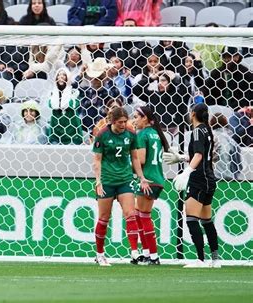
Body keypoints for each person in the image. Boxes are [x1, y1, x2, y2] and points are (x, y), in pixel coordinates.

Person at [92, 107, 151, 266]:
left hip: (125, 179)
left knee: (131, 214)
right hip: (107, 181)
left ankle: (134, 252)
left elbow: (135, 158)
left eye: (125, 122)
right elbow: (97, 160)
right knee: (104, 218)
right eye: (120, 122)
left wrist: (142, 177)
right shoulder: (102, 134)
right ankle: (100, 254)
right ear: (112, 121)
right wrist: (98, 181)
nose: (123, 125)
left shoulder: (131, 134)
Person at [164, 103, 221, 268]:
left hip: (199, 180)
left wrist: (187, 171)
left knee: (190, 218)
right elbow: (203, 156)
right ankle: (215, 259)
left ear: (193, 113)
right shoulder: (206, 130)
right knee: (206, 220)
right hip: (209, 179)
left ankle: (201, 260)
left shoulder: (197, 131)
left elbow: (198, 155)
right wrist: (181, 158)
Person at [132, 106, 170, 265]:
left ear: (145, 118)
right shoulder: (156, 134)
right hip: (157, 178)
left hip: (147, 179)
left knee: (143, 216)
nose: (134, 120)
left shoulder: (142, 135)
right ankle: (147, 254)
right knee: (139, 214)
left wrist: (126, 166)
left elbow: (140, 160)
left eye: (137, 117)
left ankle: (153, 256)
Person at [47, 67, 84, 145]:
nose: (61, 76)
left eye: (64, 75)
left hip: (71, 128)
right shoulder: (52, 93)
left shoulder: (74, 93)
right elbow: (51, 104)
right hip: (56, 126)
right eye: (59, 75)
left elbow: (73, 105)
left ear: (68, 77)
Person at [210, 113, 242, 180]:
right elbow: (239, 164)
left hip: (213, 176)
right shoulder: (230, 140)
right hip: (229, 178)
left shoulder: (210, 137)